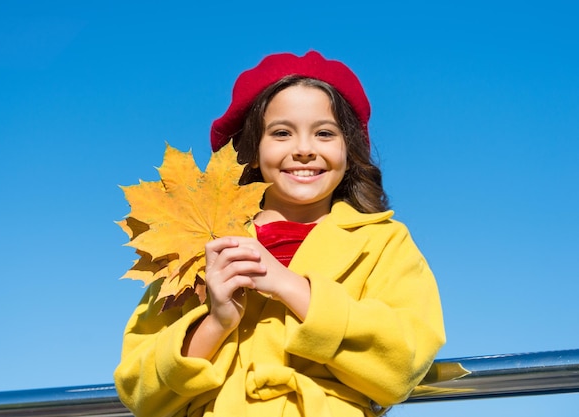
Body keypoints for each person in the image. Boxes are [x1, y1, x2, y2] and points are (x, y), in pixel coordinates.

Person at [114, 50, 445, 417]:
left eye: (324, 133)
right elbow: (140, 391)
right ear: (251, 151)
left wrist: (290, 286)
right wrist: (217, 322)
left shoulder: (385, 241)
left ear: (348, 151)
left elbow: (403, 365)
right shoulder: (198, 242)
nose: (304, 150)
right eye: (282, 133)